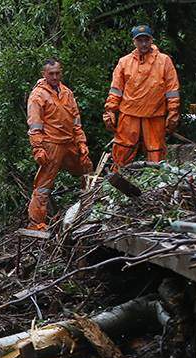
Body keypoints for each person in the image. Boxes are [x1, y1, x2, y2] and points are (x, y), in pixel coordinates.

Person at [26, 59, 93, 230]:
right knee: (43, 184)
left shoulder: (66, 92)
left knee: (87, 168)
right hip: (51, 143)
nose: (55, 77)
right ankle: (36, 223)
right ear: (44, 74)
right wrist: (38, 147)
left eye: (57, 73)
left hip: (69, 141)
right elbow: (35, 123)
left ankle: (90, 208)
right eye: (51, 74)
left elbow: (76, 120)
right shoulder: (38, 95)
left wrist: (81, 142)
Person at [104, 25, 180, 169]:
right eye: (140, 40)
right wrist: (110, 110)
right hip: (129, 113)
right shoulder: (124, 62)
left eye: (146, 40)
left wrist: (173, 111)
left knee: (156, 150)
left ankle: (156, 178)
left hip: (155, 114)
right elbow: (116, 90)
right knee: (122, 148)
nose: (144, 43)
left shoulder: (164, 61)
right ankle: (117, 177)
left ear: (152, 40)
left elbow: (172, 89)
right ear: (134, 42)